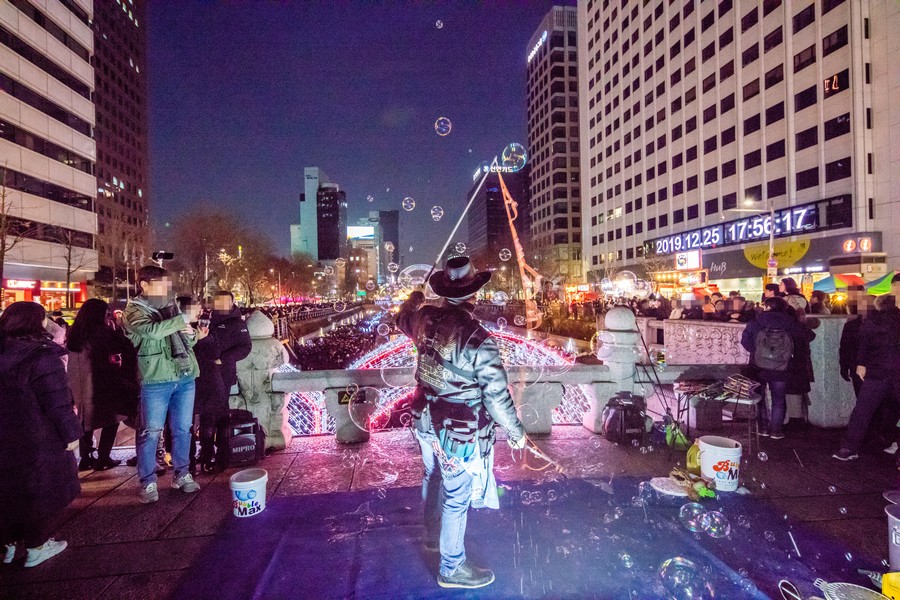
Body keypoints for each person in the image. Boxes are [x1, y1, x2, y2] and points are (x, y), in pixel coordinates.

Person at [396, 256, 526, 590]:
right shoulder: (478, 338)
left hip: (423, 417)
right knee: (456, 495)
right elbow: (496, 396)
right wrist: (516, 431)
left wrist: (414, 298)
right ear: (474, 294)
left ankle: (433, 537)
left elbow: (401, 318)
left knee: (432, 476)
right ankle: (451, 568)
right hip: (457, 431)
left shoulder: (423, 317)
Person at [0, 302, 81, 567]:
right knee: (37, 491)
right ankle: (37, 546)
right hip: (38, 435)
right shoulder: (41, 357)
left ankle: (8, 545)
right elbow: (57, 402)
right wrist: (71, 434)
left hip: (7, 435)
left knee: (8, 489)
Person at [123, 265, 203, 504]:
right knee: (150, 432)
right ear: (144, 285)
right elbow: (153, 331)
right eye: (160, 285)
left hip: (184, 374)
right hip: (156, 379)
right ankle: (147, 482)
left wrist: (191, 333)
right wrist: (182, 320)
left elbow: (188, 340)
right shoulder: (133, 311)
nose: (166, 290)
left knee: (183, 429)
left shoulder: (171, 306)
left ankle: (182, 473)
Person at [66, 299, 139, 471]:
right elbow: (125, 346)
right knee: (112, 418)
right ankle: (103, 457)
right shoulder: (102, 333)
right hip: (101, 381)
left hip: (78, 383)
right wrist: (119, 328)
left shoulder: (75, 333)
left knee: (85, 420)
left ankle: (86, 458)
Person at [833, 295, 900, 461]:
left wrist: (861, 363)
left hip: (876, 371)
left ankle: (849, 448)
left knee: (862, 411)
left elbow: (863, 344)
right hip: (896, 371)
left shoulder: (872, 321)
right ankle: (893, 442)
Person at [740, 297, 814, 439]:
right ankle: (775, 430)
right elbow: (807, 336)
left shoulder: (756, 321)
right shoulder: (790, 322)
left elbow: (745, 341)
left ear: (767, 307)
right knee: (778, 398)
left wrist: (758, 352)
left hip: (759, 366)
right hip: (782, 366)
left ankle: (762, 428)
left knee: (759, 398)